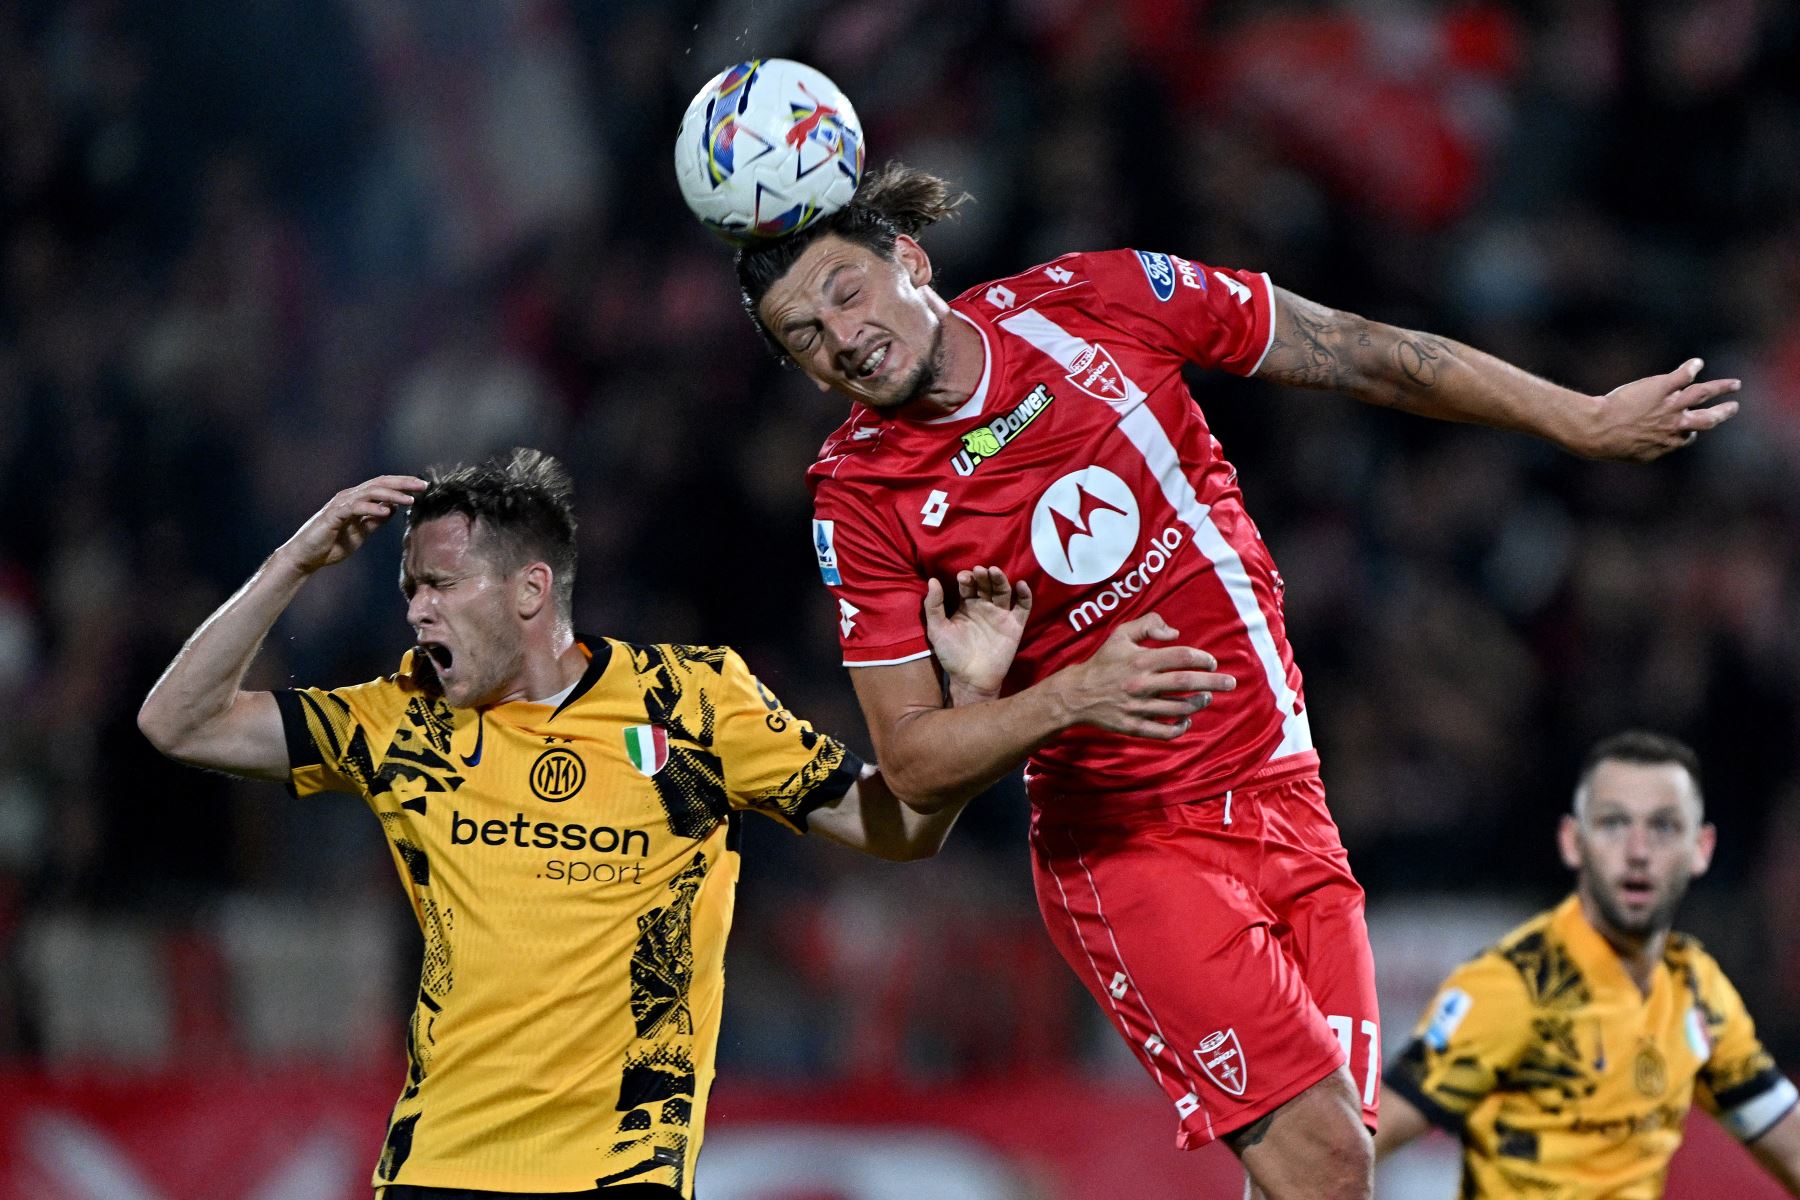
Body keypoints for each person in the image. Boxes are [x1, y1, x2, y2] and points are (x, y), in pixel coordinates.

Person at [730, 163, 1743, 1200]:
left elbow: (1354, 351)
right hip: (1129, 848)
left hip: (1287, 794)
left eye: (845, 291)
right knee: (1328, 1159)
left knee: (1321, 1181)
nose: (841, 335)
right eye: (805, 333)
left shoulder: (1095, 300)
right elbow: (909, 768)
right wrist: (1064, 695)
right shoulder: (858, 497)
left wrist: (1578, 419)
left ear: (911, 260)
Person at [136, 448, 1091, 1199]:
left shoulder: (692, 702)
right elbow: (173, 722)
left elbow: (903, 831)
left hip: (621, 1172)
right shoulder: (401, 721)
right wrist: (293, 559)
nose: (416, 609)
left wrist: (968, 702)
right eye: (409, 589)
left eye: (440, 584)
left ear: (529, 590)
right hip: (437, 1167)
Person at [1376, 731, 1800, 1197]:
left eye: (1663, 827)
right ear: (1573, 842)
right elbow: (1358, 1147)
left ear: (1701, 849)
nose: (1638, 852)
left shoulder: (1696, 991)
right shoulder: (1514, 988)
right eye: (1614, 824)